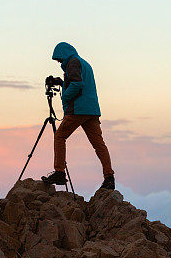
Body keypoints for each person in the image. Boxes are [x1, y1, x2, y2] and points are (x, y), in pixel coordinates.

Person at [41, 42, 115, 190]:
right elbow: (78, 82)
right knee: (99, 145)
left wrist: (65, 98)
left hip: (78, 109)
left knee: (60, 136)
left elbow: (77, 85)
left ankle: (59, 172)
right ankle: (109, 177)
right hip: (91, 110)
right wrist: (61, 83)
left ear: (64, 54)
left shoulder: (72, 63)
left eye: (59, 59)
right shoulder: (83, 63)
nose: (59, 62)